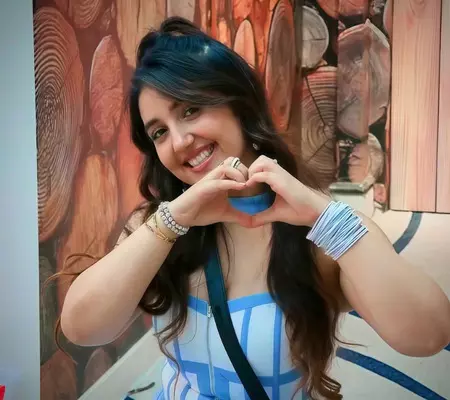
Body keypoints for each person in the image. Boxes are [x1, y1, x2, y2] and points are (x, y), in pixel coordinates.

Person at [59, 17, 450, 400]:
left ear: (239, 106)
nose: (178, 142)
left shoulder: (319, 232)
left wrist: (326, 219)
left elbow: (427, 335)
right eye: (159, 132)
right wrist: (171, 221)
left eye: (190, 110)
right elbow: (82, 329)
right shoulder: (158, 227)